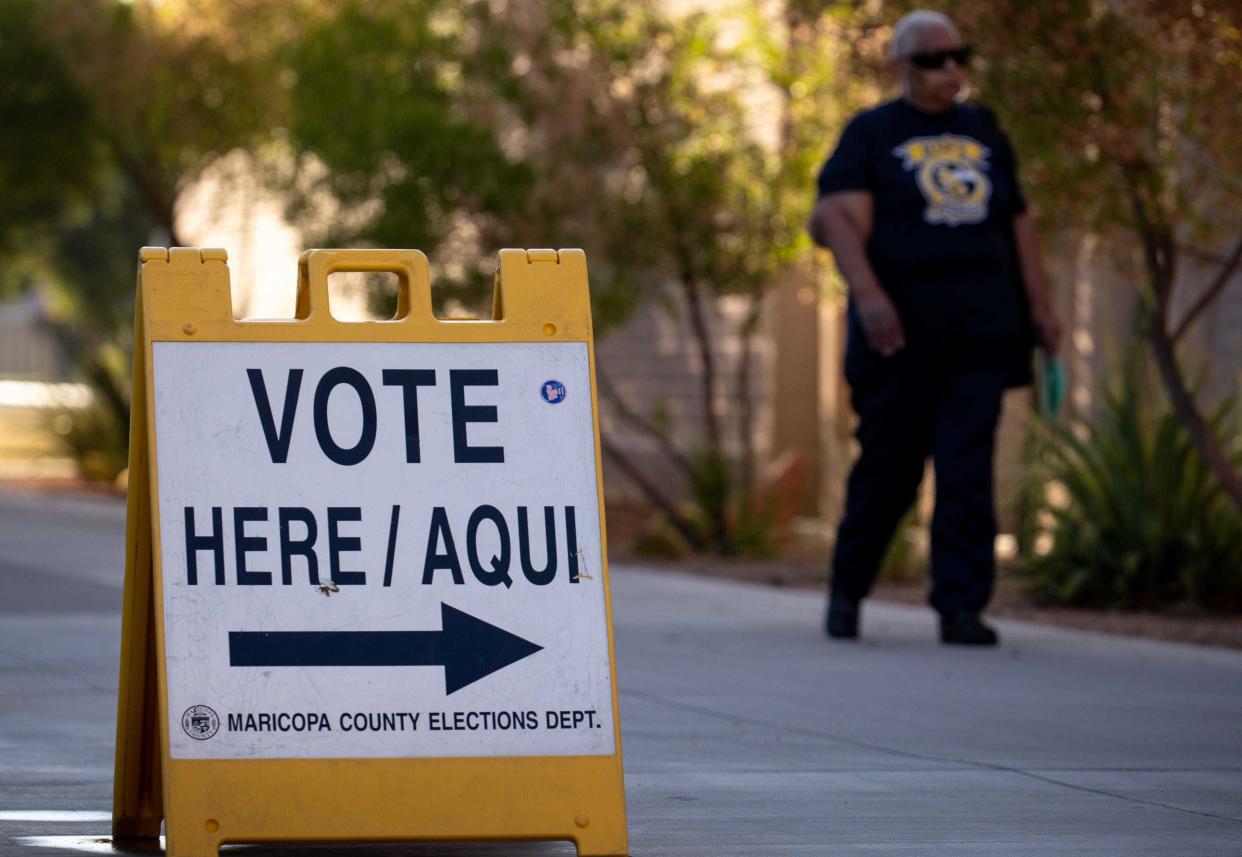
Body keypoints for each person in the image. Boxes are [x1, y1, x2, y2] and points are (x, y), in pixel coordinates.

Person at [807, 10, 1061, 645]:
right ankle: (848, 591)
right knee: (889, 472)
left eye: (958, 56)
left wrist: (1042, 306)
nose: (950, 69)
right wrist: (867, 296)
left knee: (966, 467)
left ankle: (961, 607)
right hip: (898, 335)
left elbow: (1019, 223)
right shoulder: (871, 133)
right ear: (901, 66)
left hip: (981, 329)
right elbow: (834, 219)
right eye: (932, 60)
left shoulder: (984, 129)